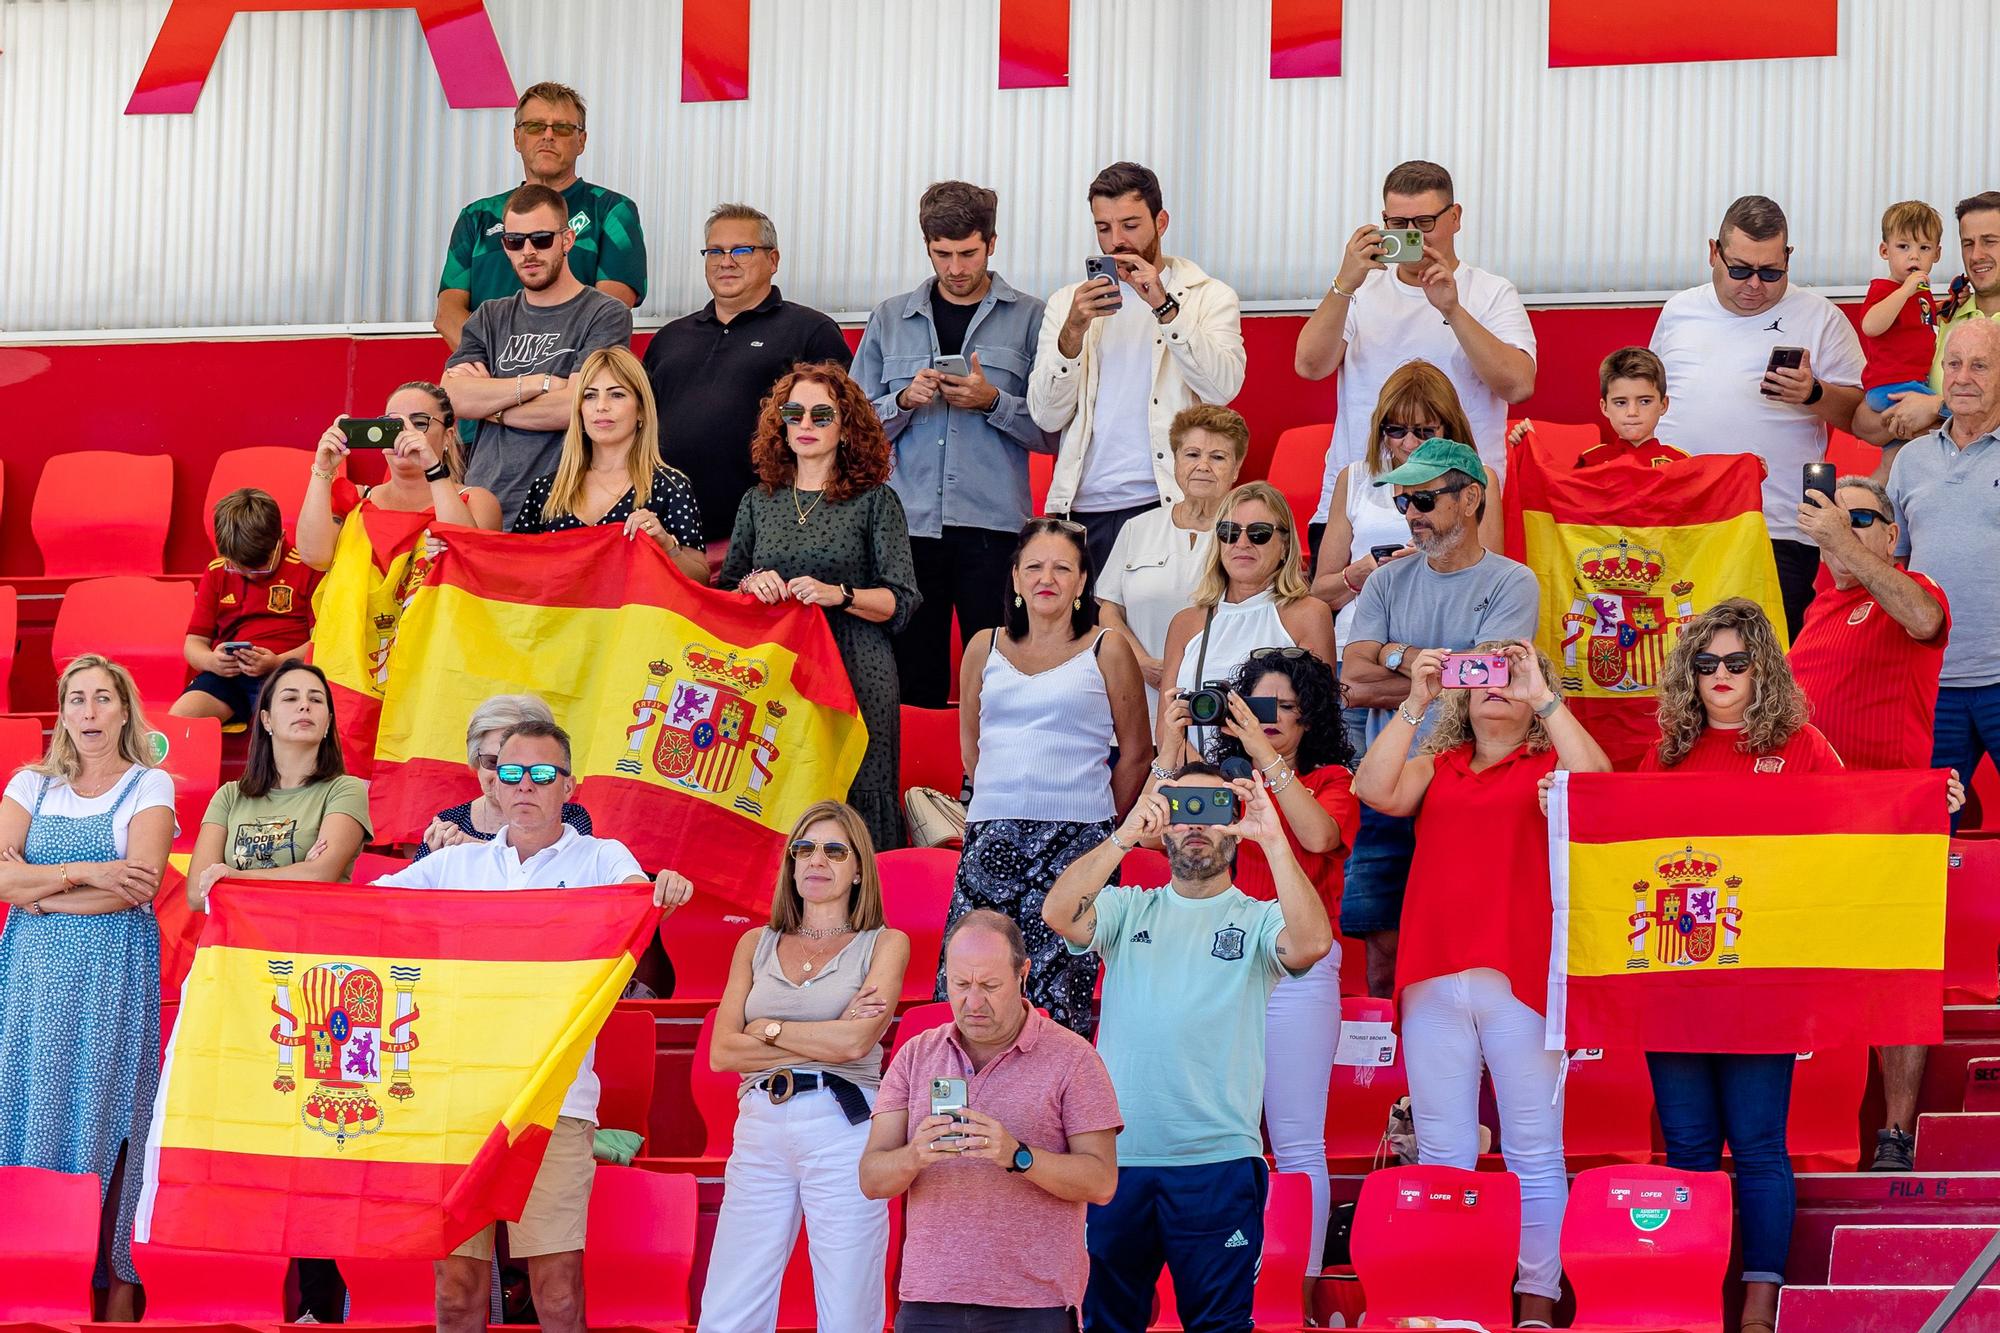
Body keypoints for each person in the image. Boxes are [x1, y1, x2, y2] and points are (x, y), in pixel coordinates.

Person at [373, 718, 693, 1333]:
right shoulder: (454, 866)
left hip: (557, 1100)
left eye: (542, 773)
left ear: (568, 785)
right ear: (491, 783)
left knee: (559, 1292)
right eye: (511, 772)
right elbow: (360, 908)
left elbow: (639, 896)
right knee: (456, 1293)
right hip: (456, 1103)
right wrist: (241, 887)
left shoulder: (603, 857)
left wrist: (664, 889)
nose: (525, 785)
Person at [1354, 641, 1611, 1329]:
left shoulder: (1551, 766)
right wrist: (1416, 697)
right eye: (1483, 672)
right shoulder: (1436, 766)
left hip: (1522, 978)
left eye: (1508, 670)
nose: (1493, 682)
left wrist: (1542, 696)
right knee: (1444, 1149)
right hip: (1433, 979)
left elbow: (1602, 784)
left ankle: (1535, 1304)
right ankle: (1453, 1297)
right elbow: (1371, 788)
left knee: (1532, 1148)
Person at [1043, 768, 1331, 1333]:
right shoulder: (1130, 908)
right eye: (1181, 807)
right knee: (1106, 1323)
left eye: (1213, 806)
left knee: (1219, 1327)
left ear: (1235, 824)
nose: (1196, 820)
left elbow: (1313, 943)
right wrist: (1126, 833)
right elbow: (1059, 913)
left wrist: (1272, 838)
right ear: (1162, 826)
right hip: (1117, 1164)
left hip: (1218, 1164)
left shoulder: (1258, 917)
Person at [1638, 599, 1837, 1333]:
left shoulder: (1806, 746)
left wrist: (1927, 805)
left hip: (1762, 982)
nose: (1719, 675)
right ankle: (1694, 1295)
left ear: (1764, 668)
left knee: (1756, 1145)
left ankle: (1759, 1305)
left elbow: (1852, 832)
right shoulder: (1661, 753)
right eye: (1705, 662)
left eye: (1735, 661)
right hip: (1675, 980)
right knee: (1688, 1146)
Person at [0, 655, 177, 1319]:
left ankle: (110, 1288)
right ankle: (24, 1278)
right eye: (78, 699)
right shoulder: (29, 784)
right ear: (63, 713)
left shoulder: (149, 786)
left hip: (110, 979)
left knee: (104, 1123)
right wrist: (87, 871)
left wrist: (39, 889)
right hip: (29, 981)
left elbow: (138, 889)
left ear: (125, 710)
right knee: (20, 1112)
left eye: (104, 698)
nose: (90, 711)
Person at [696, 800, 910, 1333]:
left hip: (842, 1124)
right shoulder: (754, 943)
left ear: (858, 868)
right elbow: (723, 1052)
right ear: (791, 864)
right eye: (805, 849)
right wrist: (826, 1037)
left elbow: (857, 1043)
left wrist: (766, 1029)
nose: (817, 860)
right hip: (760, 1122)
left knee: (848, 1303)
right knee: (730, 1303)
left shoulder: (885, 943)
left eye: (835, 850)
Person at [1338, 437, 1539, 996]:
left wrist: (1392, 659)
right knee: (1381, 946)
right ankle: (1396, 1082)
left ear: (1471, 498)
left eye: (1423, 501)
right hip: (1391, 778)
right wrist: (1409, 659)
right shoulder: (1383, 580)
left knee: (1471, 954)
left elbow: (1490, 681)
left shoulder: (1511, 580)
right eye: (1403, 504)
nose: (1411, 516)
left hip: (1469, 786)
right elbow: (1351, 682)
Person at [1791, 475, 1950, 1171]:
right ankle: (1807, 1124)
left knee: (1896, 974)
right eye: (1831, 513)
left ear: (1891, 535)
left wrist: (1847, 547)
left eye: (1861, 515)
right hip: (1814, 824)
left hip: (1891, 819)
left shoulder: (1915, 588)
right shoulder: (1814, 611)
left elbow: (1922, 621)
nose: (1842, 524)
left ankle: (1895, 1133)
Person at [860, 910, 1121, 1332]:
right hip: (930, 1299)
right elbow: (872, 1178)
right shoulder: (915, 1053)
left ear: (1023, 974)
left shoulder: (1073, 1058)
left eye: (990, 985)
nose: (973, 1002)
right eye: (961, 985)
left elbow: (1102, 1181)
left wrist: (1017, 1156)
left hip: (1035, 1305)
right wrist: (915, 1155)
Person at [852, 180, 1055, 708]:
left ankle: (989, 788)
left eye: (968, 253)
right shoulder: (889, 318)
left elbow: (1054, 432)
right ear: (926, 246)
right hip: (907, 527)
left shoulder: (1034, 317)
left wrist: (993, 402)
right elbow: (851, 430)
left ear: (992, 243)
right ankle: (916, 788)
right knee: (910, 676)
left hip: (994, 528)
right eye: (943, 254)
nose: (956, 268)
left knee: (999, 674)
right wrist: (903, 401)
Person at [947, 518, 1151, 1034]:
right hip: (991, 834)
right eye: (1034, 566)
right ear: (1014, 577)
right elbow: (973, 747)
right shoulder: (983, 646)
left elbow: (1134, 755)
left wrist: (1100, 826)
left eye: (1063, 568)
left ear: (1083, 582)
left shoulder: (1108, 648)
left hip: (1078, 842)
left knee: (1061, 997)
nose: (1047, 578)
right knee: (979, 990)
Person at [1200, 648, 1357, 1297]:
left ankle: (1309, 1285)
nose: (1267, 720)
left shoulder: (1330, 781)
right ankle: (1217, 1284)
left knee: (1297, 1141)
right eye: (1255, 706)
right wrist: (1177, 737)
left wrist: (1266, 769)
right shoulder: (1223, 780)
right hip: (1225, 963)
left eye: (1282, 708)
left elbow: (1318, 837)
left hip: (1301, 968)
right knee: (1215, 1136)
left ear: (1308, 718)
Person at [722, 363, 920, 851]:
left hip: (856, 665)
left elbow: (903, 600)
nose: (805, 424)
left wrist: (842, 595)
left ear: (847, 425)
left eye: (821, 414)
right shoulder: (757, 501)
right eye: (793, 413)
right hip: (781, 672)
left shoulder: (876, 501)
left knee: (857, 787)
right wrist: (752, 582)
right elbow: (727, 590)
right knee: (783, 785)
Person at [1648, 195, 1864, 637]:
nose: (1754, 284)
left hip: (1777, 530)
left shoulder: (1821, 317)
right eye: (1740, 269)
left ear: (1789, 258)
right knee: (1677, 668)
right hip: (1679, 524)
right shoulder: (1679, 311)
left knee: (1769, 675)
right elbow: (1648, 402)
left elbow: (1861, 417)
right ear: (1713, 252)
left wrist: (1814, 393)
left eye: (1771, 273)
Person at [1296, 159, 1535, 544]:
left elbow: (1519, 385)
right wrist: (1344, 283)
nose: (1413, 237)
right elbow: (1309, 365)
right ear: (1382, 221)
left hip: (1459, 504)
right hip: (1357, 504)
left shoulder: (1491, 292)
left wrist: (1452, 310)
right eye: (1398, 225)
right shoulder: (1361, 290)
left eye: (1424, 224)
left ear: (1455, 217)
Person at [1027, 161, 1246, 576]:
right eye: (1103, 228)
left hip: (1168, 499)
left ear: (1160, 221)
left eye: (1130, 225)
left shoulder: (1208, 296)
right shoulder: (1067, 303)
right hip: (1083, 506)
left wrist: (1165, 307)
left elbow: (1222, 388)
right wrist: (1073, 331)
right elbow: (1046, 415)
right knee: (1087, 638)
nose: (1116, 241)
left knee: (1165, 634)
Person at [642, 204, 852, 547]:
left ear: (773, 260)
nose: (726, 261)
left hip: (768, 535)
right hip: (667, 533)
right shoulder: (670, 337)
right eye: (715, 251)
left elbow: (842, 431)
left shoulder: (810, 331)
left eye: (741, 250)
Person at [442, 182, 635, 526]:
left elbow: (577, 406)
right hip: (484, 507)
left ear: (567, 240)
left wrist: (492, 408)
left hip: (563, 509)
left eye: (541, 239)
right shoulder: (489, 316)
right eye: (515, 242)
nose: (527, 251)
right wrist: (541, 382)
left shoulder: (604, 314)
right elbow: (455, 397)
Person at [1307, 361, 1472, 738]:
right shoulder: (1356, 478)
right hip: (1360, 659)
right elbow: (1320, 593)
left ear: (1448, 426)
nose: (1409, 443)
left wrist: (1429, 560)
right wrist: (1361, 572)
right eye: (1395, 430)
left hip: (1440, 656)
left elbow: (1486, 573)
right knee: (1357, 783)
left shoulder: (1473, 478)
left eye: (1424, 431)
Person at [1888, 319, 2000, 830]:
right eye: (1953, 364)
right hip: (1932, 685)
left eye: (1980, 365)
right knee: (1929, 833)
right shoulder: (1909, 461)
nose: (1962, 377)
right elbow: (1895, 563)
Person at [434, 81, 644, 352]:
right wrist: (500, 372)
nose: (548, 135)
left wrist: (544, 374)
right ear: (516, 138)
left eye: (563, 128)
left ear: (581, 141)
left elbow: (608, 312)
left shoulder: (612, 212)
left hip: (570, 382)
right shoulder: (477, 217)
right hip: (489, 383)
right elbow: (448, 313)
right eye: (534, 126)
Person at [1156, 482, 1335, 759]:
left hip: (1274, 785)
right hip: (1196, 786)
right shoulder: (1185, 622)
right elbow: (1167, 728)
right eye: (1228, 532)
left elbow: (1317, 718)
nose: (1242, 543)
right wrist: (1208, 781)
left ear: (1285, 545)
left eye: (1259, 533)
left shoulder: (1308, 614)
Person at [511, 345, 710, 583]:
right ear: (580, 410)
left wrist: (667, 545)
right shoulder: (545, 490)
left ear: (642, 410)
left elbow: (701, 580)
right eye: (590, 395)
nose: (601, 405)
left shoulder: (670, 486)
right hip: (560, 619)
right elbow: (515, 571)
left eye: (617, 394)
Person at [1097, 404, 1248, 714]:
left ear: (1236, 468)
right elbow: (1110, 609)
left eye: (1217, 457)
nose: (1203, 466)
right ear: (1176, 461)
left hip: (1217, 707)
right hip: (1137, 698)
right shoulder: (1138, 527)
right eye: (1192, 454)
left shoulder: (1249, 535)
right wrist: (1141, 663)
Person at [186, 662, 371, 906]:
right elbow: (196, 895)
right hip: (234, 943)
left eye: (316, 700)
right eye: (290, 698)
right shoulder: (229, 796)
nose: (304, 705)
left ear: (327, 722)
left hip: (306, 939)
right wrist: (298, 870)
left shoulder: (345, 790)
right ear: (266, 719)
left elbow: (319, 875)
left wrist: (233, 877)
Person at [296, 381, 503, 573]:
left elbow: (471, 564)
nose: (405, 433)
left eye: (419, 423)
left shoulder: (477, 501)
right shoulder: (357, 499)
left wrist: (432, 467)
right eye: (393, 425)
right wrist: (322, 470)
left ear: (448, 436)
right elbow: (315, 556)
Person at [1858, 192, 2000, 449]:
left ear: (1935, 252)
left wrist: (1936, 407)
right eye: (1968, 243)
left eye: (1990, 241)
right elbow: (1862, 423)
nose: (1976, 254)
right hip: (1929, 472)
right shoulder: (1949, 315)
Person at [172, 486, 323, 722]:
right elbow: (193, 644)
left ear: (280, 538)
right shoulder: (217, 571)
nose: (251, 575)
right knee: (180, 717)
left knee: (285, 721)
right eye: (239, 567)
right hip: (228, 677)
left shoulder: (308, 567)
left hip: (287, 672)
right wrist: (211, 661)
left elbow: (321, 643)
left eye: (260, 565)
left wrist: (276, 662)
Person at [414, 694, 593, 860]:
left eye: (523, 767)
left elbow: (566, 870)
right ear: (475, 760)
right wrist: (437, 862)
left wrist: (469, 848)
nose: (503, 775)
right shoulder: (449, 822)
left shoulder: (569, 817)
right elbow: (412, 891)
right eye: (493, 762)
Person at [1857, 202, 1944, 419]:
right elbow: (1870, 326)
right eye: (1903, 247)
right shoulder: (1884, 290)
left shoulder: (1920, 293)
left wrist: (1947, 306)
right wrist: (1904, 291)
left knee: (1900, 449)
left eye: (1924, 248)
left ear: (1937, 253)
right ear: (1885, 251)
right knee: (1949, 407)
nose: (1914, 256)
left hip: (1914, 382)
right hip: (1890, 386)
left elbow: (1923, 322)